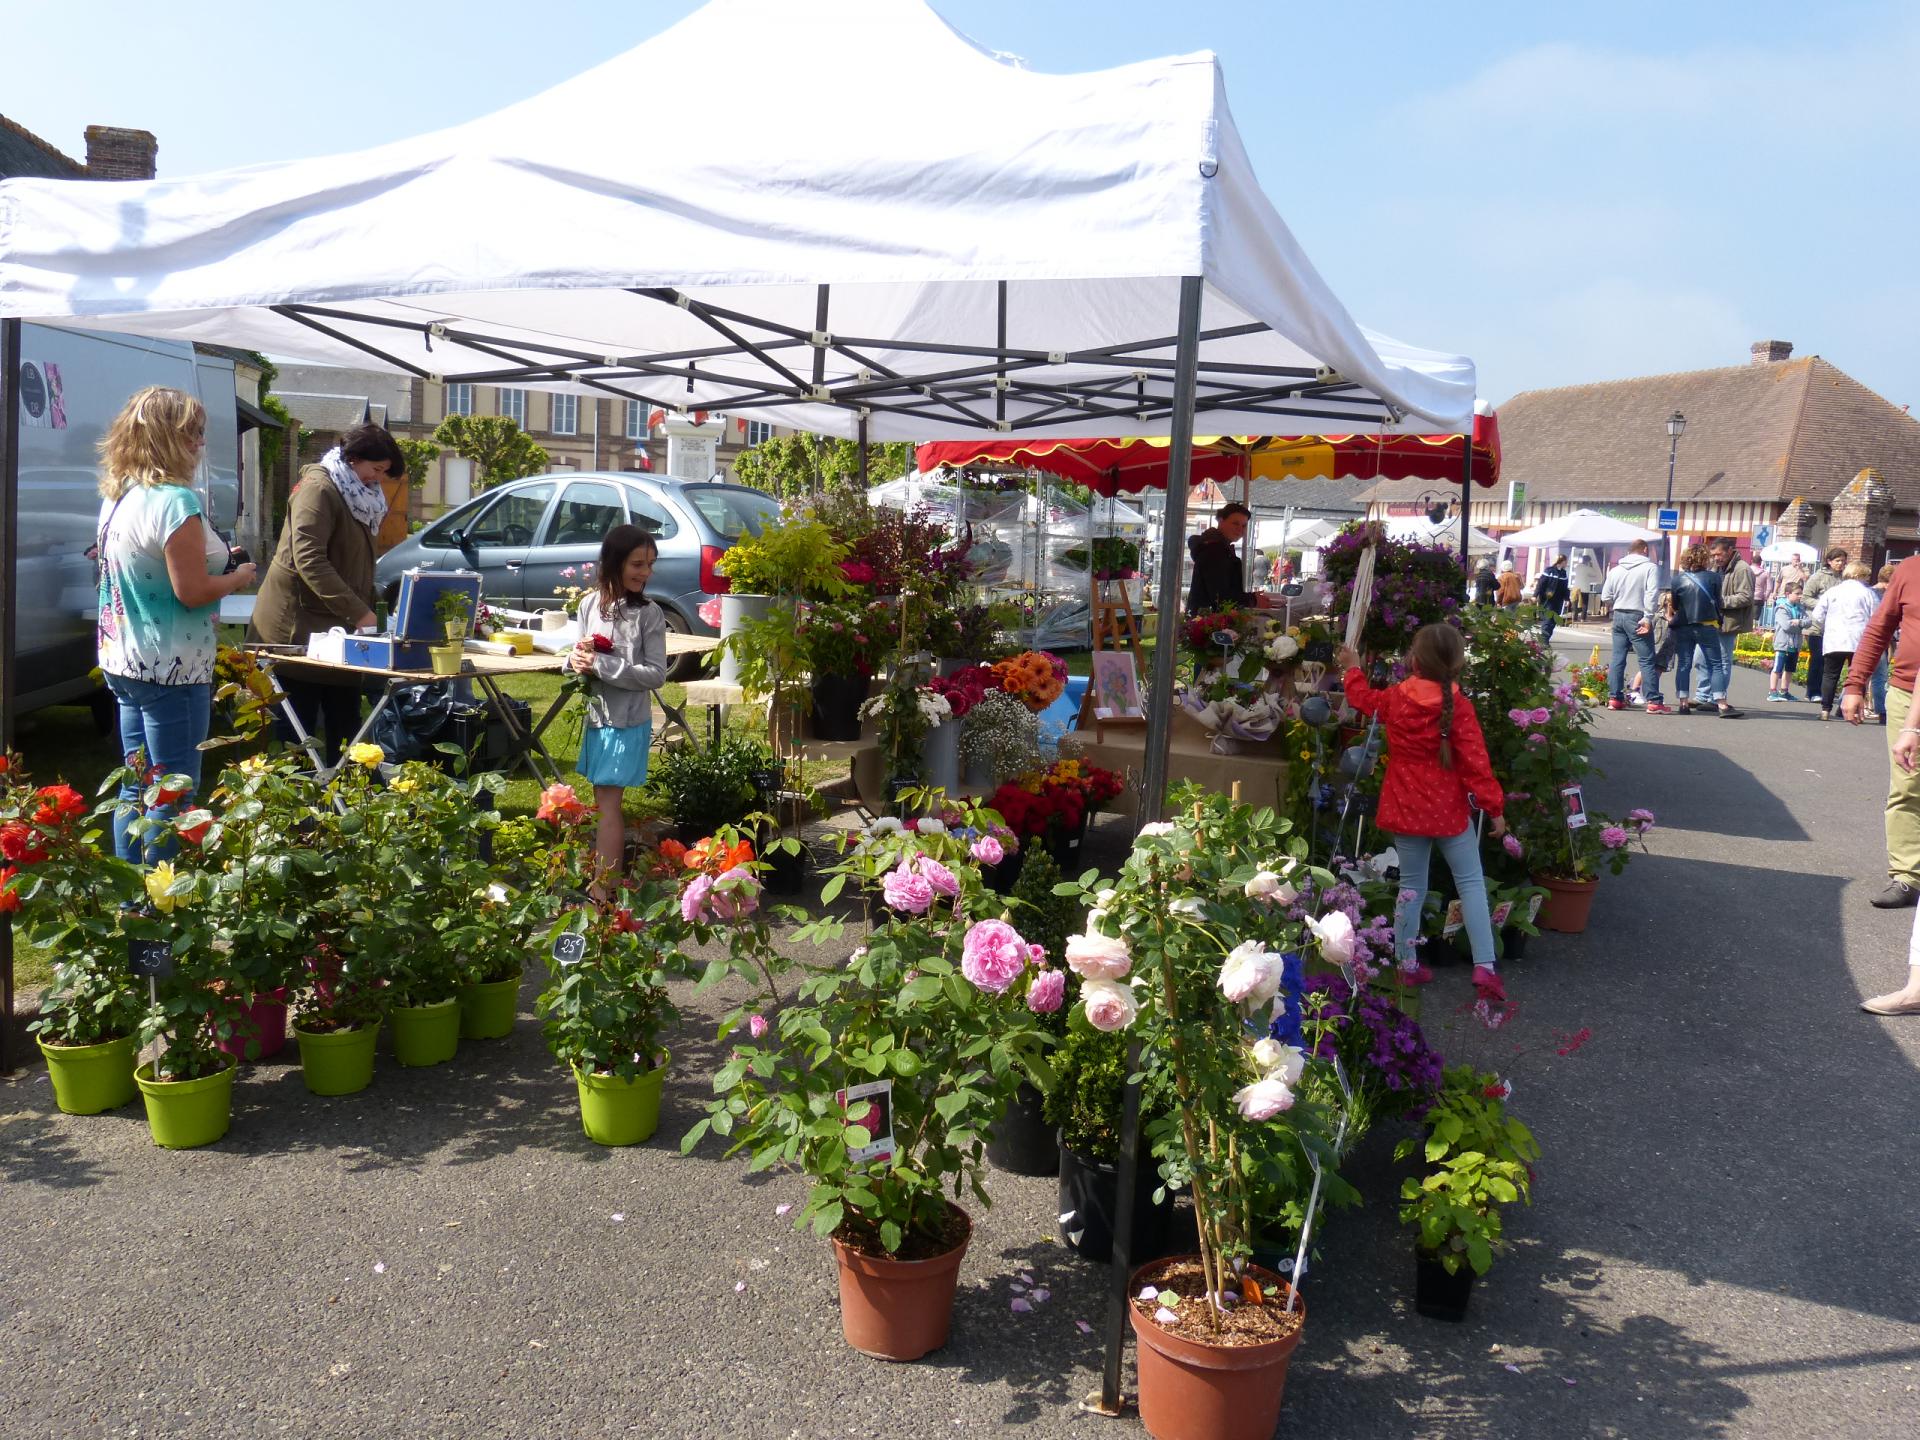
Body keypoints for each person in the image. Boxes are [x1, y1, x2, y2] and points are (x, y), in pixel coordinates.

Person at [94, 386, 258, 861]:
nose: (200, 445)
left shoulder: (118, 497)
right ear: (169, 439)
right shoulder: (175, 501)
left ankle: (135, 909)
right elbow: (192, 591)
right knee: (174, 796)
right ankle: (162, 919)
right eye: (193, 436)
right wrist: (239, 576)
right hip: (172, 667)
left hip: (123, 660)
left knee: (136, 787)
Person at [1337, 625, 1507, 1003]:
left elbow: (1364, 699)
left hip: (1405, 805)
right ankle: (1485, 966)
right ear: (1457, 662)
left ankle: (1406, 964)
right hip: (1448, 809)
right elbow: (1477, 762)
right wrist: (1494, 808)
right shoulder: (1458, 706)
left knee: (1411, 886)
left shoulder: (1398, 698)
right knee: (1472, 883)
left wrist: (1352, 667)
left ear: (1415, 660)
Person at [248, 424, 407, 763]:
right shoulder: (319, 489)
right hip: (296, 633)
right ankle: (300, 813)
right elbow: (310, 559)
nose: (377, 479)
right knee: (298, 741)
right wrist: (359, 611)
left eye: (383, 473)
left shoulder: (356, 492)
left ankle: (344, 805)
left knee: (347, 729)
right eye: (375, 469)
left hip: (336, 634)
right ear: (353, 459)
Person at [572, 524, 669, 892]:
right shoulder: (589, 605)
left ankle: (602, 890)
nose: (645, 572)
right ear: (613, 563)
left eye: (650, 564)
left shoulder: (649, 614)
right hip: (598, 718)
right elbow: (578, 652)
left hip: (626, 722)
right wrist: (577, 660)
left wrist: (601, 665)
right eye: (638, 563)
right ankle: (603, 885)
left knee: (608, 805)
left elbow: (656, 674)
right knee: (602, 803)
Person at [1843, 554, 1920, 907]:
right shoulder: (1909, 570)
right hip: (1906, 691)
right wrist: (1855, 684)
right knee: (1907, 786)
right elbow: (1879, 629)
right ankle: (1907, 876)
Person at [1668, 544, 1738, 717]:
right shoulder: (1714, 577)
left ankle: (1683, 703)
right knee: (1715, 664)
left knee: (1684, 664)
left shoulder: (1678, 579)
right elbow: (1718, 601)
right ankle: (1721, 704)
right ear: (1704, 559)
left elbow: (1676, 605)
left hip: (1684, 625)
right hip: (1707, 625)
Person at [1599, 540, 1664, 711]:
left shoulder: (1616, 570)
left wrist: (1616, 603)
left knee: (1617, 657)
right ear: (1645, 549)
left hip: (1619, 614)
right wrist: (1648, 617)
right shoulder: (1650, 568)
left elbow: (1605, 595)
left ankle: (1615, 698)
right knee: (1646, 659)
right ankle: (1653, 701)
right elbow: (1652, 593)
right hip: (1638, 614)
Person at [1809, 562, 1878, 722]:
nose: (1867, 579)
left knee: (1830, 675)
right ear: (1859, 575)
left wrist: (1827, 626)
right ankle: (1855, 711)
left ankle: (1825, 709)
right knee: (1857, 675)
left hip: (1835, 639)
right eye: (1866, 575)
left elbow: (1818, 614)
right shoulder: (1868, 593)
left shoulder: (1833, 592)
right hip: (1859, 640)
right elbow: (1876, 616)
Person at [1692, 538, 1754, 705]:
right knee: (1700, 658)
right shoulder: (1715, 568)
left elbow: (1746, 597)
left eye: (1719, 554)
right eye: (1713, 555)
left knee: (1721, 661)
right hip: (1709, 620)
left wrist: (1720, 601)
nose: (1716, 558)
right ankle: (1702, 696)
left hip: (1728, 622)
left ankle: (1715, 698)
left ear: (1730, 551)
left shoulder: (1742, 569)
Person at [1186, 502, 1261, 615]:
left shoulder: (1218, 548)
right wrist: (1252, 600)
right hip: (1207, 623)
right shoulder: (1214, 550)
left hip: (1207, 620)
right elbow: (1220, 596)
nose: (1240, 529)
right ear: (1221, 521)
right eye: (1235, 523)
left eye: (1244, 526)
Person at [1802, 546, 1848, 708]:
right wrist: (1824, 605)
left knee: (1830, 663)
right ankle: (1813, 691)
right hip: (1817, 626)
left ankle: (1825, 691)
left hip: (1835, 628)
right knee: (1818, 660)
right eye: (1837, 561)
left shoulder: (1845, 579)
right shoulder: (1818, 577)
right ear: (1829, 561)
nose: (1840, 564)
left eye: (1843, 561)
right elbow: (1805, 598)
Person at [1766, 582, 1806, 702]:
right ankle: (1772, 691)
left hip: (1795, 644)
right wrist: (1799, 625)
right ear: (1788, 594)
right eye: (1797, 594)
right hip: (1783, 644)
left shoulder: (1800, 608)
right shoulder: (1781, 608)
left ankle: (1784, 691)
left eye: (1801, 594)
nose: (1800, 596)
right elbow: (1786, 626)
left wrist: (1798, 622)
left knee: (1789, 669)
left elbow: (1808, 621)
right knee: (1777, 668)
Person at [1869, 563, 1895, 722]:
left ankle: (1843, 703)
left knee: (1862, 672)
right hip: (1880, 637)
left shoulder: (1868, 592)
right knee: (1880, 676)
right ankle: (1882, 711)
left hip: (1866, 637)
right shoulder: (1885, 595)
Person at [1533, 554, 1570, 642]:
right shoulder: (1549, 571)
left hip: (1558, 600)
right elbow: (1541, 584)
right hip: (1547, 599)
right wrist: (1535, 595)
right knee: (1548, 619)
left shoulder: (1563, 573)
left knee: (1553, 620)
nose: (1566, 564)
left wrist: (1567, 598)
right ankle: (1543, 640)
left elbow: (1565, 588)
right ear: (1562, 562)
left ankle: (1546, 639)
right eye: (1566, 562)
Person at [1569, 550, 1602, 620]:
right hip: (1584, 589)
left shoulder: (1577, 566)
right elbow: (1594, 574)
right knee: (1584, 604)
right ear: (1588, 561)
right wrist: (1591, 566)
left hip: (1576, 588)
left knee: (1575, 603)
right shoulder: (1588, 568)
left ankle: (1574, 617)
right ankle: (1583, 618)